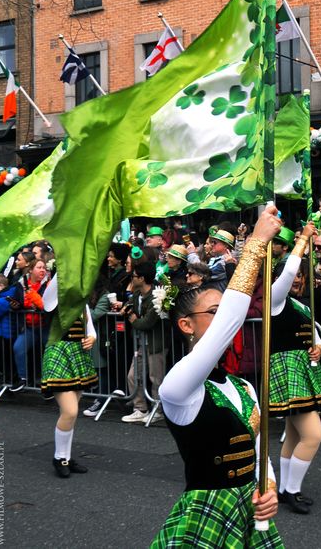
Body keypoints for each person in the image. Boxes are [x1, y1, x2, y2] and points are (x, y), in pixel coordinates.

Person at [151, 207, 282, 548]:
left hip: (246, 511)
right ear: (185, 325)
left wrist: (267, 488)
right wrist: (254, 243)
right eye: (214, 312)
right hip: (206, 512)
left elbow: (258, 446)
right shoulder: (178, 387)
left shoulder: (243, 386)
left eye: (224, 309)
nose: (223, 317)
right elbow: (231, 321)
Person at [267, 225, 321, 514]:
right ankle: (292, 490)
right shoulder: (275, 299)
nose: (296, 281)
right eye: (292, 277)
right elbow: (290, 269)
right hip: (287, 371)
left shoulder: (301, 306)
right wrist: (304, 239)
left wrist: (319, 348)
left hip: (305, 371)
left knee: (294, 435)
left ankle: (284, 489)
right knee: (313, 435)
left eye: (300, 278)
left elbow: (317, 340)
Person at [41, 300, 98, 477]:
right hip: (58, 354)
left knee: (69, 414)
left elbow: (90, 329)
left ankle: (65, 457)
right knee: (70, 411)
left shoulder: (82, 301)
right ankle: (59, 458)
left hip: (77, 355)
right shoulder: (53, 298)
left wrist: (92, 339)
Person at [121, 263, 168, 425]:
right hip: (140, 343)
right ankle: (140, 408)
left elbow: (147, 322)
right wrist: (125, 309)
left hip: (156, 342)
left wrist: (134, 320)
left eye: (133, 276)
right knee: (133, 375)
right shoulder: (137, 294)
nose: (132, 279)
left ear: (141, 278)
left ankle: (158, 409)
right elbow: (131, 307)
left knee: (156, 378)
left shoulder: (158, 295)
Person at [10, 258, 50, 391]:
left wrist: (34, 300)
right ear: (31, 270)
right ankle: (22, 378)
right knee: (18, 348)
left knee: (50, 352)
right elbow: (18, 302)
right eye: (39, 267)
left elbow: (45, 305)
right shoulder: (21, 284)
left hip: (46, 326)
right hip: (29, 326)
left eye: (44, 267)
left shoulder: (49, 284)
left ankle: (50, 381)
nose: (42, 270)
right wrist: (15, 305)